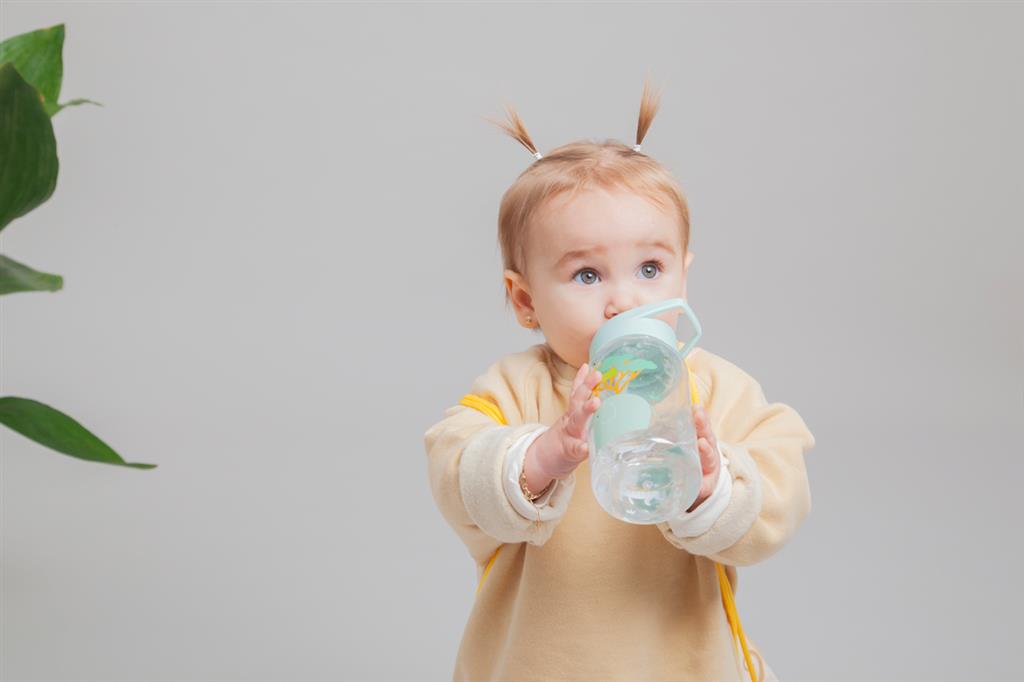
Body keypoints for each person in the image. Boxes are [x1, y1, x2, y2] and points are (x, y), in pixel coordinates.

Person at [423, 79, 816, 682]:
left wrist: (713, 487)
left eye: (650, 268)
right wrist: (538, 458)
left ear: (683, 277)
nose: (623, 299)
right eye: (586, 275)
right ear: (525, 300)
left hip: (680, 662)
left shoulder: (713, 389)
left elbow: (780, 490)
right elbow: (456, 468)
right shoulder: (515, 389)